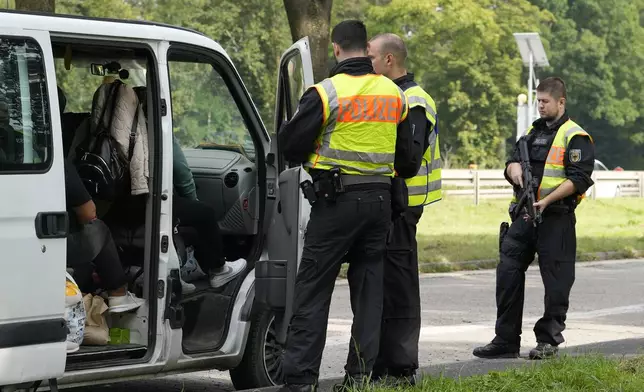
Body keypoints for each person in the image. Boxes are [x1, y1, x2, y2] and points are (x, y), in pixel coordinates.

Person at [277, 20, 419, 392]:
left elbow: (289, 146)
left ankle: (299, 382)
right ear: (366, 50)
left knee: (312, 292)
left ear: (338, 48)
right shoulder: (394, 94)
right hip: (379, 205)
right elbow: (407, 162)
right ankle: (358, 380)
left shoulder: (326, 92)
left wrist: (317, 152)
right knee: (369, 295)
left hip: (336, 202)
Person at [472, 77, 595, 360]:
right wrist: (512, 170)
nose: (539, 106)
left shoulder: (575, 136)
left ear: (561, 102)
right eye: (538, 101)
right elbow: (513, 159)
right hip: (525, 216)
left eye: (545, 101)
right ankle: (505, 340)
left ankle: (548, 341)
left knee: (556, 281)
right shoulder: (531, 132)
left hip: (555, 218)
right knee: (507, 273)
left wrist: (548, 199)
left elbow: (579, 179)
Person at [367, 33, 441, 385]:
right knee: (383, 285)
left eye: (371, 57)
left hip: (403, 205)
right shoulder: (394, 95)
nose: (367, 63)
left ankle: (401, 368)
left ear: (389, 61)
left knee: (399, 288)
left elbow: (408, 160)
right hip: (389, 204)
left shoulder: (413, 99)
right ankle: (382, 363)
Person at [64, 159, 143, 313]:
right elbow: (88, 213)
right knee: (99, 229)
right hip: (53, 242)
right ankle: (118, 294)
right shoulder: (59, 164)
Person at [171, 133, 247, 288]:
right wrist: (194, 202)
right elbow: (181, 173)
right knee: (205, 213)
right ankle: (218, 269)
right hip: (149, 200)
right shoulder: (157, 127)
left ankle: (181, 269)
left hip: (123, 202)